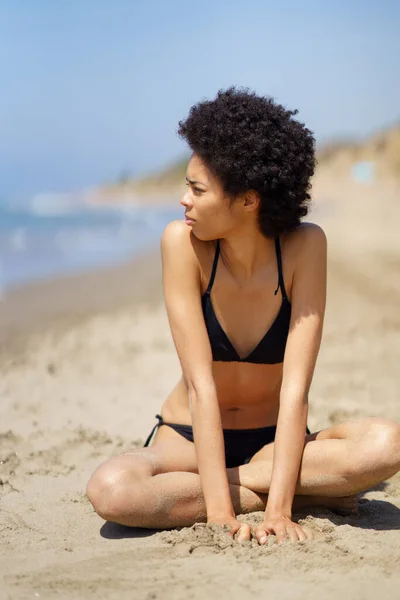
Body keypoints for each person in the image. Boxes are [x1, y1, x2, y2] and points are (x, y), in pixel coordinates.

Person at [87, 87, 400, 545]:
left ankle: (277, 485)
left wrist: (279, 510)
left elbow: (296, 393)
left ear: (249, 199)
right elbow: (201, 385)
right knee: (112, 491)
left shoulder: (305, 248)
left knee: (386, 445)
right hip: (188, 440)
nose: (183, 200)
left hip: (273, 442)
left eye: (197, 189)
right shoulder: (182, 245)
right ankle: (299, 488)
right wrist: (219, 514)